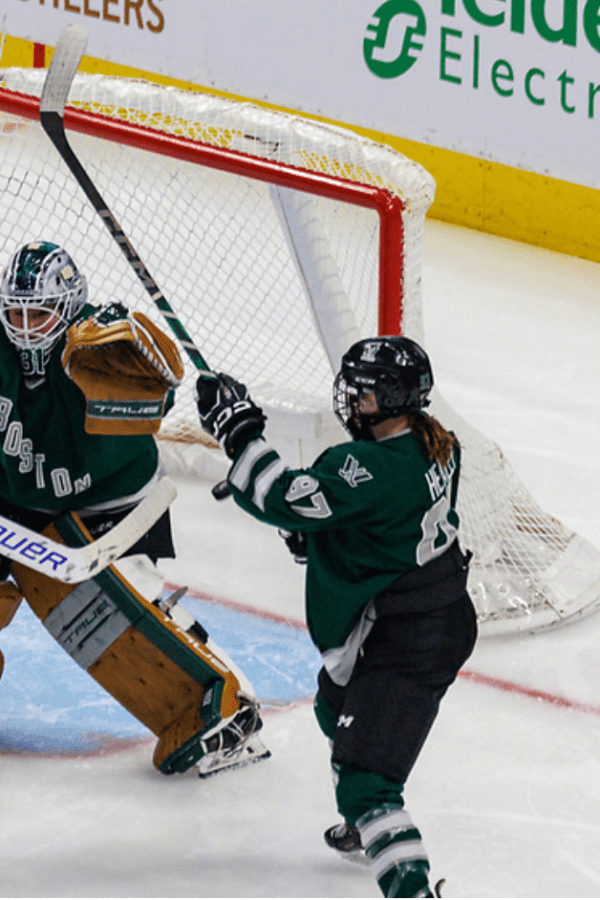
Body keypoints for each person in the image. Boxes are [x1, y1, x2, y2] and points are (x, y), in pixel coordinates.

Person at [0, 239, 268, 777]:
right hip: (5, 491)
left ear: (72, 305)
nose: (27, 325)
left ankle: (222, 707)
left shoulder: (95, 344)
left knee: (104, 612)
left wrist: (145, 351)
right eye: (17, 311)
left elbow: (159, 393)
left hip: (108, 502)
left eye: (41, 312)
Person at [194, 335, 477, 898]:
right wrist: (321, 535)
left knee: (368, 784)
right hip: (426, 610)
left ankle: (407, 882)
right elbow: (382, 524)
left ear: (394, 399)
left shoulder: (366, 466)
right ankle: (363, 826)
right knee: (334, 704)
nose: (352, 400)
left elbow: (284, 495)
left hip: (408, 634)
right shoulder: (438, 444)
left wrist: (239, 432)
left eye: (365, 392)